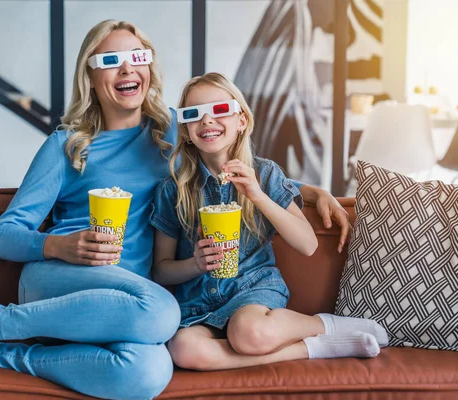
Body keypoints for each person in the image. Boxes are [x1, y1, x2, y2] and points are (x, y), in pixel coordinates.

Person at [0, 20, 352, 400]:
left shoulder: (178, 130)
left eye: (137, 57)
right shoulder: (66, 146)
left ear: (150, 69)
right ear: (91, 77)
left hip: (130, 300)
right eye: (109, 61)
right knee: (162, 314)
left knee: (149, 372)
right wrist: (60, 244)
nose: (126, 69)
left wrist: (311, 194)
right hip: (60, 281)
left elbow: (238, 163)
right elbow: (3, 236)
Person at [150, 72, 388, 371]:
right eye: (193, 114)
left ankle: (322, 325)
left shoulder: (265, 175)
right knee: (184, 350)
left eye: (220, 110)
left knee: (248, 333)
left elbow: (308, 244)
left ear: (242, 121)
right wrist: (195, 264)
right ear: (184, 130)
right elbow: (161, 271)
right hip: (198, 304)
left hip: (253, 292)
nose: (207, 121)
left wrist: (258, 196)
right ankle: (314, 347)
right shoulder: (172, 190)